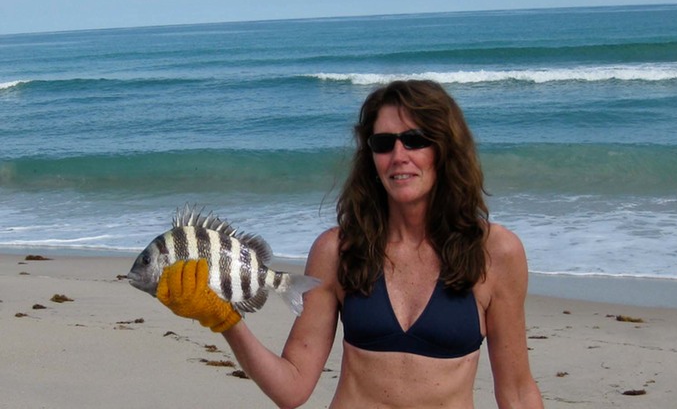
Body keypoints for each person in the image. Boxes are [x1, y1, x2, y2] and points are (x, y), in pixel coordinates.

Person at [157, 79, 543, 408]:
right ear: (370, 155)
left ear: (445, 149)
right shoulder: (336, 251)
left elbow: (517, 392)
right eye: (383, 143)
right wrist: (225, 320)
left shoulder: (496, 253)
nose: (398, 156)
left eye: (415, 140)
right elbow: (292, 387)